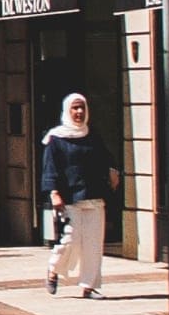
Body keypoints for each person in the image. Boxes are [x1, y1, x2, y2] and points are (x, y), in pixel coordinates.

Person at [43, 93, 121, 299]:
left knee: (94, 244)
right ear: (67, 110)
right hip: (70, 198)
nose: (79, 112)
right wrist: (54, 193)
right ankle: (53, 270)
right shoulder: (56, 138)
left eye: (82, 108)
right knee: (70, 241)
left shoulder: (91, 135)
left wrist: (113, 171)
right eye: (75, 108)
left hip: (94, 196)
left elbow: (105, 157)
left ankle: (89, 286)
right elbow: (50, 168)